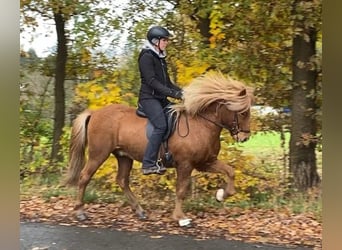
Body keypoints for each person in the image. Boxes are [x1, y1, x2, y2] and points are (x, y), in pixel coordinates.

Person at [137, 25, 183, 175]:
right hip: (149, 98)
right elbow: (152, 82)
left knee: (177, 117)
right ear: (155, 41)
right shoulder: (146, 56)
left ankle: (168, 154)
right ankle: (148, 163)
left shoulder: (160, 57)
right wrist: (173, 94)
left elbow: (167, 82)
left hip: (160, 98)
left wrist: (183, 93)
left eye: (166, 40)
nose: (167, 42)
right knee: (161, 126)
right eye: (164, 40)